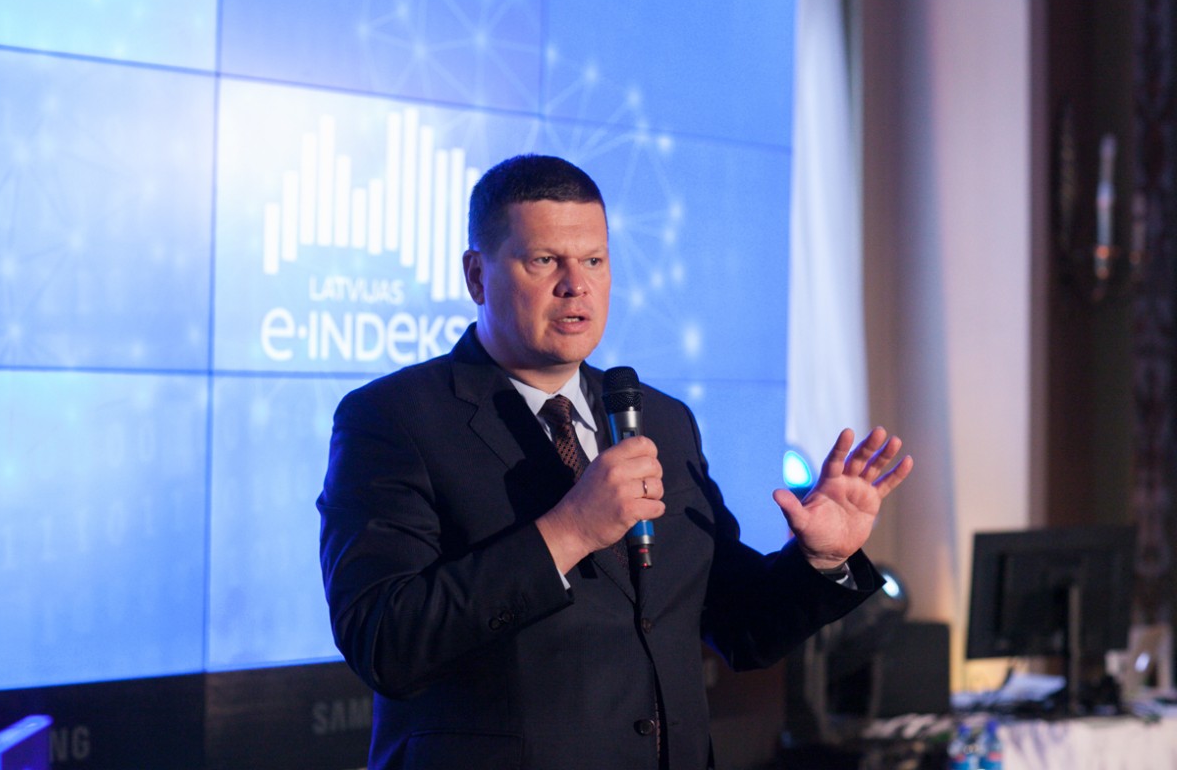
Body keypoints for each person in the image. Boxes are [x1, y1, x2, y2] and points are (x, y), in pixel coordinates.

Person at [317, 154, 913, 770]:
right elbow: (384, 641)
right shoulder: (393, 419)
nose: (575, 285)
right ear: (477, 276)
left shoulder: (661, 419)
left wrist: (820, 560)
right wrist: (569, 531)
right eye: (544, 261)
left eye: (594, 262)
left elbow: (738, 624)